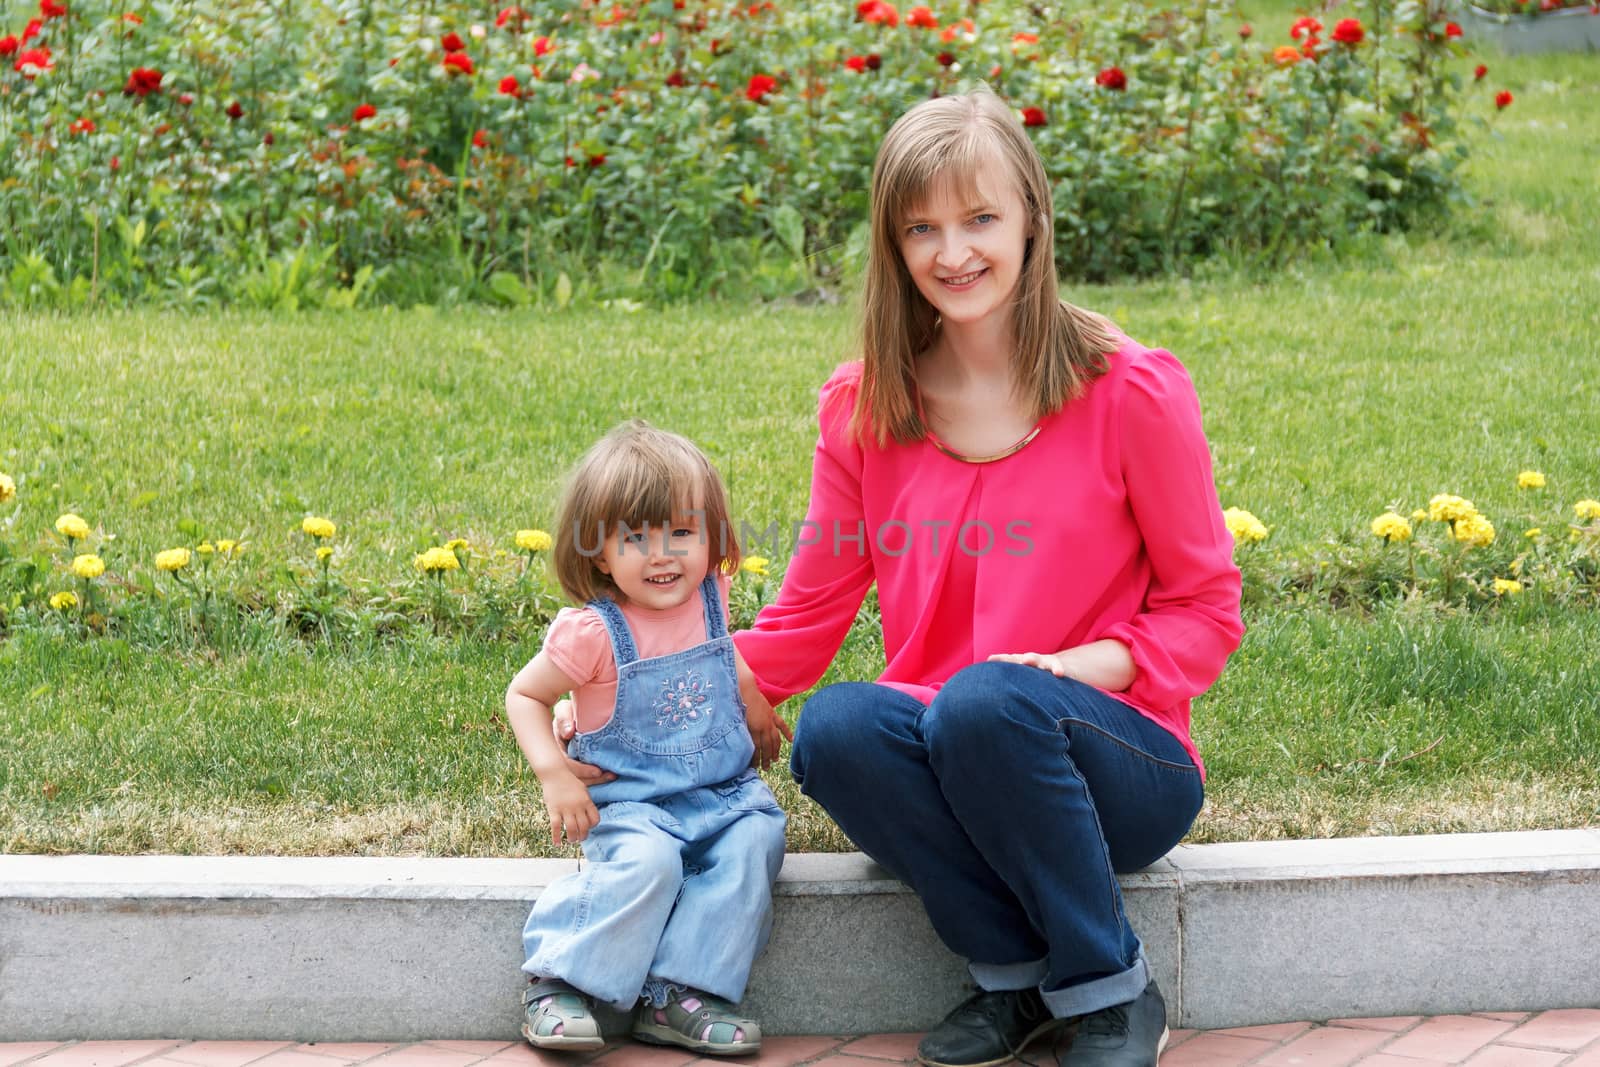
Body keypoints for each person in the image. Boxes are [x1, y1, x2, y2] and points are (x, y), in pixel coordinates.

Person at [728, 88, 1245, 1067]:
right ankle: (1010, 980)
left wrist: (1073, 667)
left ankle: (1111, 990)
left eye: (979, 219)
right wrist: (662, 685)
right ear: (892, 245)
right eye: (920, 227)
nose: (951, 252)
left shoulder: (1129, 389)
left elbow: (1205, 610)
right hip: (951, 742)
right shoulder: (865, 406)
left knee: (985, 703)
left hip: (1114, 762)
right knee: (838, 727)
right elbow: (808, 607)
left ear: (1031, 221)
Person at [505, 421, 787, 1056]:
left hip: (721, 792)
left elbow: (721, 655)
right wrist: (553, 772)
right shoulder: (592, 633)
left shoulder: (711, 595)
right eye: (636, 539)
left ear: (712, 537)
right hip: (634, 802)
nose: (662, 555)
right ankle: (559, 979)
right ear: (599, 552)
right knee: (649, 865)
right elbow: (525, 696)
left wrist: (755, 703)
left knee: (757, 839)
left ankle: (679, 994)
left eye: (682, 533)